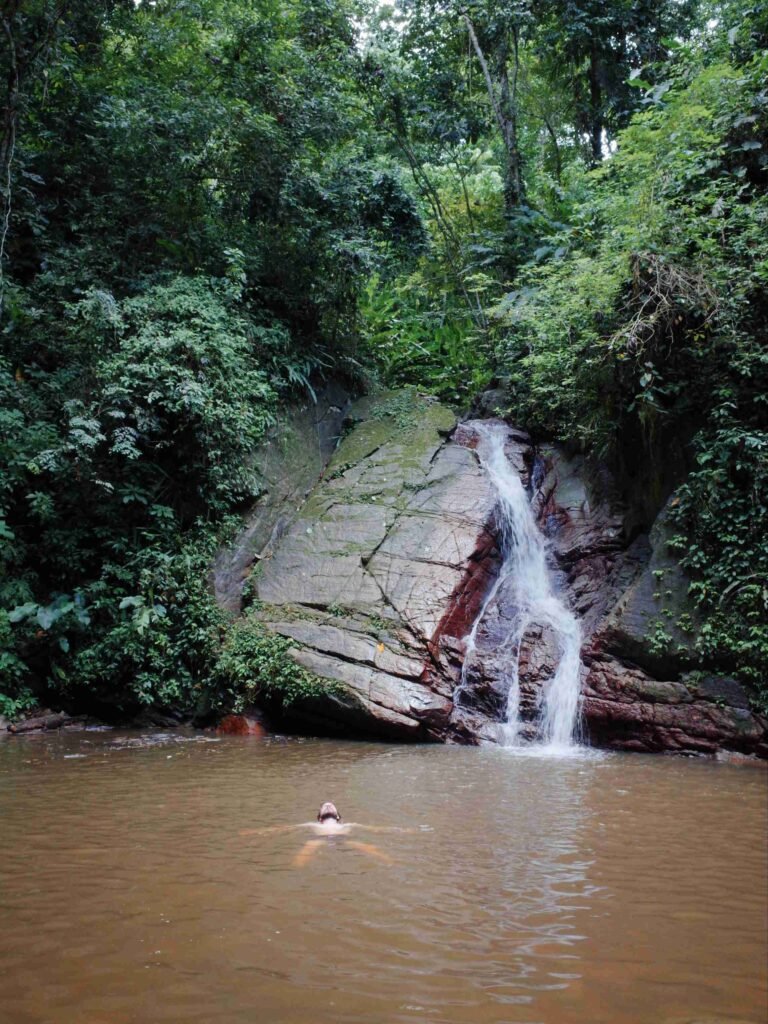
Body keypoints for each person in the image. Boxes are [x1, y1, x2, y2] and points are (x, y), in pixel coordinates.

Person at [240, 801, 418, 866]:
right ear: (319, 818)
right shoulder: (310, 824)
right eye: (324, 807)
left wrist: (403, 831)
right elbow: (282, 829)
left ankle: (388, 861)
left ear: (339, 817)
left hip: (343, 840)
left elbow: (377, 829)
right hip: (319, 839)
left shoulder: (350, 824)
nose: (328, 805)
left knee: (365, 846)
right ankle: (297, 866)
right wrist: (255, 832)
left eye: (331, 806)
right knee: (309, 845)